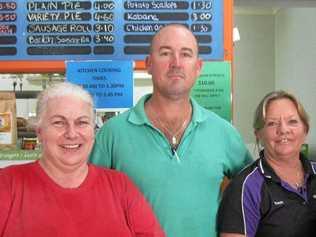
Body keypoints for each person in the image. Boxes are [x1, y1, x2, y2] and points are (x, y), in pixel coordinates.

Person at [89, 24, 252, 237]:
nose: (176, 63)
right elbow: (88, 202)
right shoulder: (112, 134)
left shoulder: (223, 132)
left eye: (186, 54)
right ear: (148, 64)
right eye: (165, 53)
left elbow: (253, 192)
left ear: (198, 66)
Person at [0, 82, 165, 237]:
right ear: (39, 132)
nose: (71, 134)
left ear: (93, 131)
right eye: (59, 122)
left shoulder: (120, 186)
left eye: (82, 123)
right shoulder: (7, 185)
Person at [217, 90, 316, 237]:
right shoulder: (246, 187)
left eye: (292, 122)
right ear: (259, 134)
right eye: (272, 123)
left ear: (305, 129)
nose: (283, 130)